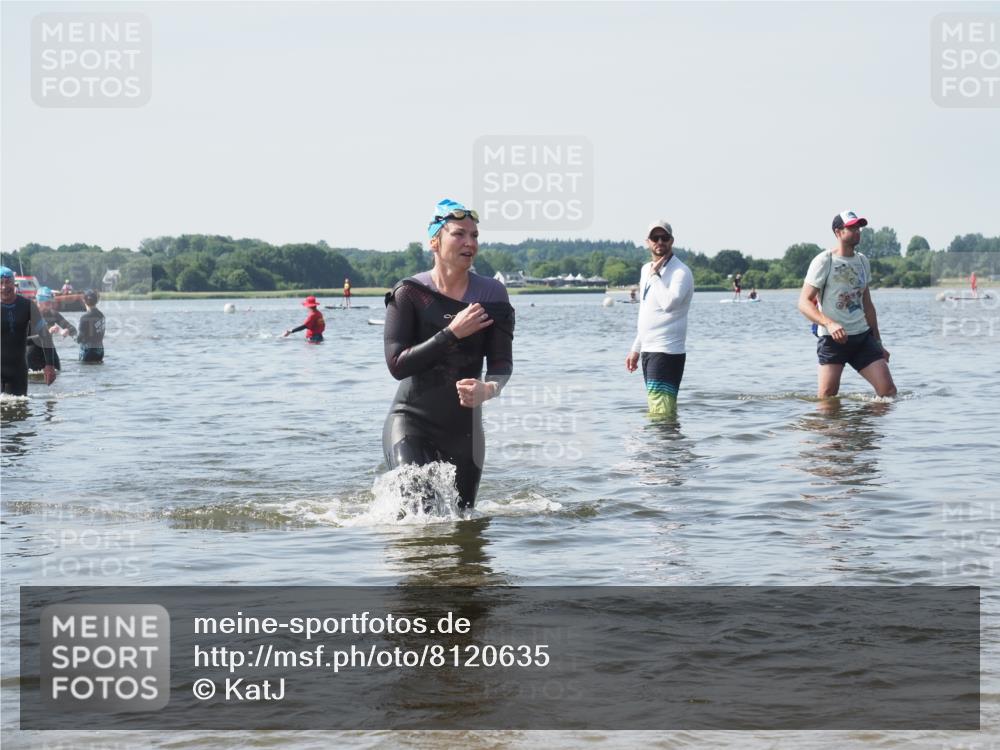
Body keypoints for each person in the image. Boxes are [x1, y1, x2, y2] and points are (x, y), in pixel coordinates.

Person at [382, 199, 515, 510]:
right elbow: (397, 364)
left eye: (475, 235)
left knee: (462, 521)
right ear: (434, 241)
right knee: (422, 509)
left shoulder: (493, 295)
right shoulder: (410, 293)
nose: (470, 243)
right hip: (410, 422)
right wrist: (451, 333)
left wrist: (489, 389)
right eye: (459, 234)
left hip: (464, 431)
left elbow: (501, 363)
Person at [797, 210, 896, 399]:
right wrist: (829, 324)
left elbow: (868, 306)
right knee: (828, 399)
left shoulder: (862, 261)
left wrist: (878, 343)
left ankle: (862, 428)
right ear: (838, 232)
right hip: (833, 340)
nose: (857, 231)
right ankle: (832, 429)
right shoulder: (824, 261)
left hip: (862, 338)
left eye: (859, 227)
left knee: (888, 393)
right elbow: (803, 302)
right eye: (852, 227)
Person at [625, 221, 694, 417]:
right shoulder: (646, 269)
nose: (660, 241)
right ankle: (667, 446)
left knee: (660, 412)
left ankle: (661, 446)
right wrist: (636, 348)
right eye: (655, 238)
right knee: (661, 410)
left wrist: (655, 276)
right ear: (648, 242)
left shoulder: (681, 272)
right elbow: (647, 310)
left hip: (667, 351)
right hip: (649, 350)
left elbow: (669, 304)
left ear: (672, 241)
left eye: (664, 238)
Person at [1, 266, 57, 395]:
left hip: (18, 372)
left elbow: (45, 335)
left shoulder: (27, 305)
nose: (4, 287)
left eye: (8, 282)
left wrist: (50, 365)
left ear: (14, 283)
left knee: (20, 411)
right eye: (0, 283)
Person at [26, 287, 77, 371]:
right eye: (47, 303)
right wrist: (46, 333)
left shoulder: (52, 314)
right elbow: (22, 340)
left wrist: (67, 331)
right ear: (39, 301)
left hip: (49, 351)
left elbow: (73, 329)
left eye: (51, 303)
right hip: (32, 352)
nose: (50, 306)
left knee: (58, 375)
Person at [77, 289, 106, 362]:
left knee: (86, 372)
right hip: (100, 352)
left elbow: (79, 339)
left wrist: (69, 333)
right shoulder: (101, 315)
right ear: (96, 301)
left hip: (88, 352)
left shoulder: (85, 317)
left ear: (84, 301)